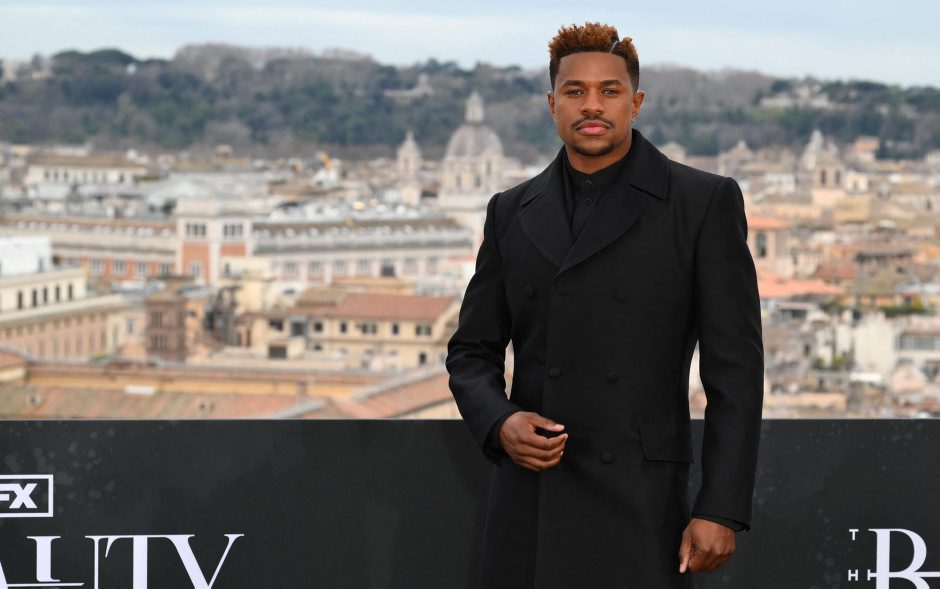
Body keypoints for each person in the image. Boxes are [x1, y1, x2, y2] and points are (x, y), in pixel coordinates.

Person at [446, 22, 764, 588]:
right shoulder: (510, 210)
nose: (592, 105)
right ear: (552, 104)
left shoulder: (702, 202)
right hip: (532, 492)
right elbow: (471, 350)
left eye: (609, 91)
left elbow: (735, 369)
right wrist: (499, 420)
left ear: (635, 103)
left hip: (643, 495)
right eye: (575, 91)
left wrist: (721, 508)